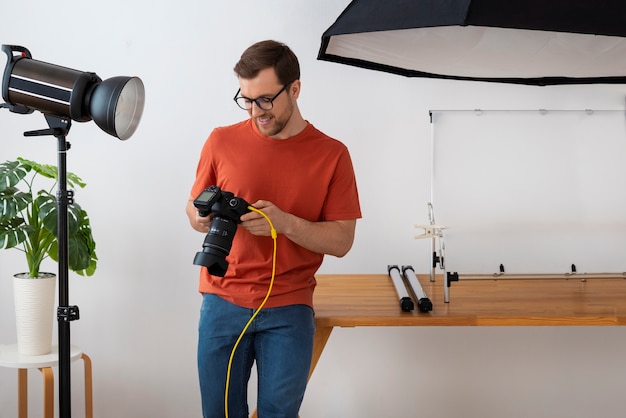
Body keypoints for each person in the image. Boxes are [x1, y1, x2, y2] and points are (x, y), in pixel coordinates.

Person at [186, 40, 362, 418]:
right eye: (246, 100)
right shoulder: (220, 140)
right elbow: (193, 205)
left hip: (289, 307)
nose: (255, 112)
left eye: (265, 99)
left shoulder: (332, 154)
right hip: (222, 299)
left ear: (294, 89)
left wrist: (285, 224)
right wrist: (199, 217)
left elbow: (343, 241)